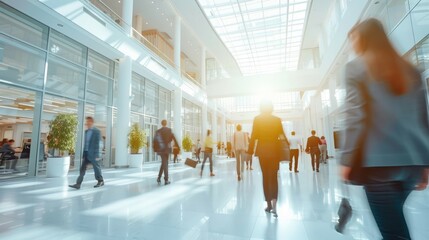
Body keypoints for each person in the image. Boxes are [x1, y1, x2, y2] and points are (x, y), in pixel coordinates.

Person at [340, 18, 429, 240]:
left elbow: (355, 117)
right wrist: (425, 163)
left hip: (378, 166)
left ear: (364, 39)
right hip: (411, 164)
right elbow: (422, 118)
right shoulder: (411, 70)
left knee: (393, 233)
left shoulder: (355, 67)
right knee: (394, 225)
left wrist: (346, 159)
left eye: (354, 39)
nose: (353, 45)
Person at [248, 100, 285, 218]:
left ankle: (268, 205)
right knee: (273, 176)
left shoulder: (257, 119)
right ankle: (274, 205)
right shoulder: (277, 120)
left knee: (265, 177)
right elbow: (282, 135)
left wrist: (249, 151)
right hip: (274, 151)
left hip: (263, 151)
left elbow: (253, 136)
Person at [69, 117, 104, 189]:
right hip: (86, 153)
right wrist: (84, 153)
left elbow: (99, 143)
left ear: (91, 122)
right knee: (82, 169)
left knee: (96, 168)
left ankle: (100, 181)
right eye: (86, 121)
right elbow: (86, 144)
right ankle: (78, 184)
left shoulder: (97, 131)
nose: (87, 123)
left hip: (94, 154)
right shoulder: (86, 132)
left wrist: (97, 154)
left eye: (88, 121)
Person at [154, 119, 178, 185]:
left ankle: (159, 178)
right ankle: (166, 180)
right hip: (167, 149)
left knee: (164, 163)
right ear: (166, 123)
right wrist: (178, 146)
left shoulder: (158, 131)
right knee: (165, 163)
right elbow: (174, 138)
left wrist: (155, 149)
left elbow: (155, 141)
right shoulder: (169, 130)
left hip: (161, 150)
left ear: (161, 124)